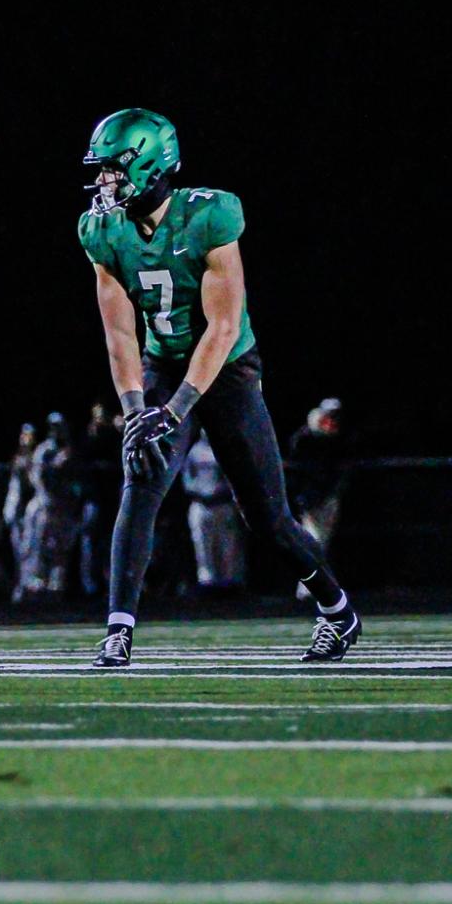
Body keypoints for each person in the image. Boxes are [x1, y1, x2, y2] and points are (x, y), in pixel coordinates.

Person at [78, 108, 361, 667]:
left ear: (149, 165)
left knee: (269, 519)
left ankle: (338, 609)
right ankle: (118, 630)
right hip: (162, 362)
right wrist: (137, 408)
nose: (104, 182)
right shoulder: (102, 231)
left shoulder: (209, 216)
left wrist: (177, 409)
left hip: (226, 368)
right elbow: (118, 330)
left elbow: (223, 326)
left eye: (113, 170)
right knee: (141, 483)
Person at [286, 397, 347, 570]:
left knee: (322, 540)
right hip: (309, 497)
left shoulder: (337, 439)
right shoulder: (304, 438)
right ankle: (310, 586)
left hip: (328, 496)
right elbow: (295, 469)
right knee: (313, 539)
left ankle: (313, 585)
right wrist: (301, 495)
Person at [24, 411, 81, 595]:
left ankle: (57, 583)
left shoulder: (69, 451)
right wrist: (55, 467)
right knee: (38, 544)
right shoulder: (44, 451)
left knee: (61, 547)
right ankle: (35, 581)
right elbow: (38, 478)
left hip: (63, 506)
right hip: (45, 505)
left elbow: (75, 480)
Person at [182, 427, 246, 590]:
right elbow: (187, 479)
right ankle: (207, 582)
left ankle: (230, 582)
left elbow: (233, 477)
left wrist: (222, 490)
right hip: (201, 504)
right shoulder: (194, 452)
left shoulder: (225, 450)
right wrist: (201, 491)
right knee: (203, 545)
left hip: (223, 503)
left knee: (228, 545)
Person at [77, 402, 120, 598]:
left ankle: (111, 583)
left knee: (113, 542)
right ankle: (90, 585)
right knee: (90, 543)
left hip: (111, 499)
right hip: (93, 499)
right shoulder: (87, 441)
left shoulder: (114, 439)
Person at [2, 423, 39, 600]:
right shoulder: (17, 458)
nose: (27, 439)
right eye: (24, 435)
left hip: (32, 510)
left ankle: (27, 584)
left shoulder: (38, 456)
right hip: (16, 511)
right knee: (18, 550)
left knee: (29, 548)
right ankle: (20, 585)